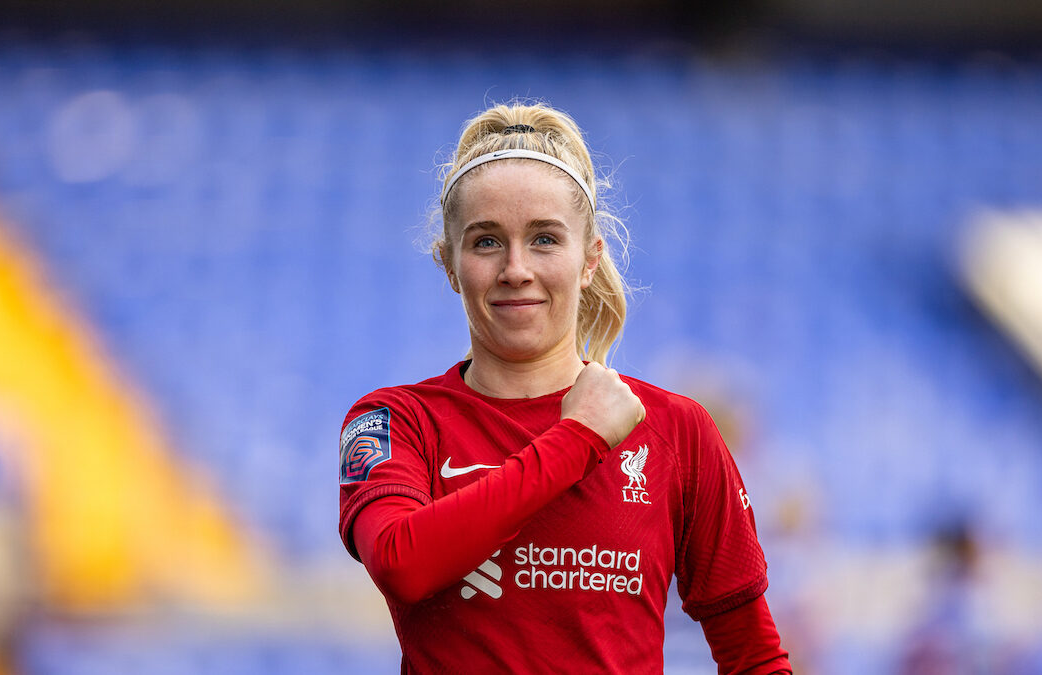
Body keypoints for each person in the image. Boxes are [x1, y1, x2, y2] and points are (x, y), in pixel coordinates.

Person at [338, 101, 791, 674]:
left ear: (590, 260)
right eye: (485, 242)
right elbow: (403, 563)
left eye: (546, 239)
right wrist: (577, 438)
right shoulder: (394, 420)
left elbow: (753, 656)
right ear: (449, 263)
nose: (516, 268)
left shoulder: (677, 430)